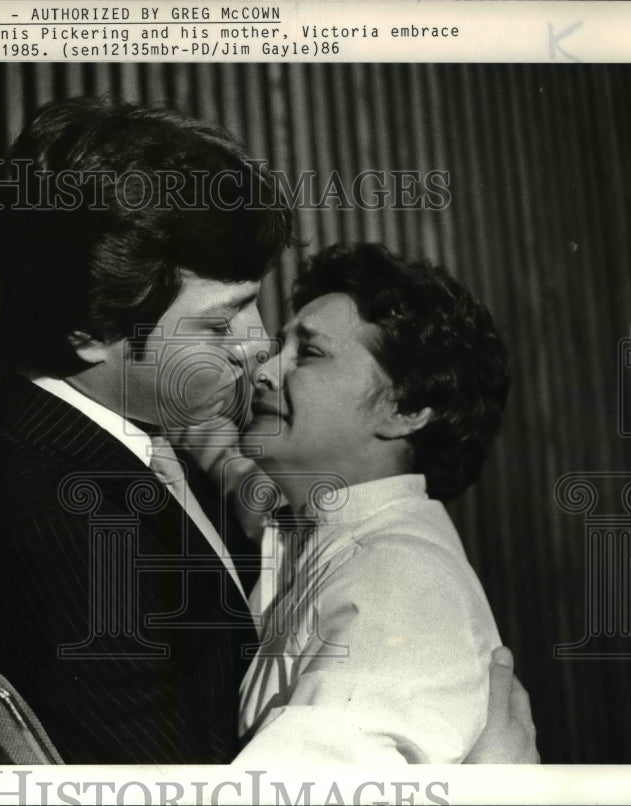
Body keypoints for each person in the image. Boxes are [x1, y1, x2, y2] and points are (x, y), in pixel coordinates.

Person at [0, 97, 536, 765]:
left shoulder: (125, 442)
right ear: (91, 335)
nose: (256, 348)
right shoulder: (67, 529)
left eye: (261, 310)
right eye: (221, 323)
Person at [228, 242, 518, 763]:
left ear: (405, 410)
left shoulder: (400, 580)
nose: (264, 370)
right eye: (278, 347)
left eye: (309, 354)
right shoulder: (325, 540)